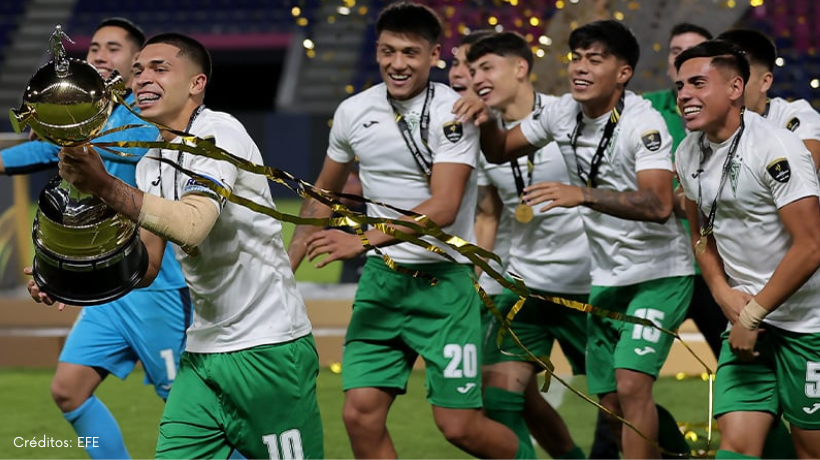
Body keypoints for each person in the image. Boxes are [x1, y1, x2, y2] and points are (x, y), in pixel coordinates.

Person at [32, 33, 323, 459]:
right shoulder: (151, 161)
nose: (142, 78)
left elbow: (191, 225)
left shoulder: (218, 134)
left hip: (268, 349)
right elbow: (146, 265)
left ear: (196, 83)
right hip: (203, 352)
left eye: (159, 68)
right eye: (138, 71)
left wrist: (103, 184)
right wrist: (67, 276)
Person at [288, 3, 523, 458]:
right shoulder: (354, 111)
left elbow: (445, 206)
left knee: (459, 427)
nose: (398, 63)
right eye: (388, 51)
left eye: (410, 53)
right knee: (359, 414)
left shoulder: (453, 112)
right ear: (376, 51)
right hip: (383, 282)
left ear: (434, 54)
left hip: (446, 285)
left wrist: (359, 240)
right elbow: (323, 192)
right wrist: (287, 264)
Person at [455, 19, 695, 458]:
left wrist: (581, 195)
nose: (580, 68)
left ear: (623, 73)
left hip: (658, 274)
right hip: (603, 278)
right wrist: (487, 119)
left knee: (631, 384)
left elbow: (659, 205)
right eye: (576, 58)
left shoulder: (644, 124)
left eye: (595, 60)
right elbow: (499, 149)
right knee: (612, 403)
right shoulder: (564, 112)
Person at [1, 18, 191, 460]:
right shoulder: (83, 124)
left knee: (186, 409)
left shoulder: (149, 122)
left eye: (114, 49)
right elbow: (38, 151)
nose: (100, 56)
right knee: (69, 390)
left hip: (153, 285)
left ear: (138, 66)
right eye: (94, 50)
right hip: (106, 285)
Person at [674, 39, 820, 459]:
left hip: (806, 324)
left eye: (698, 83)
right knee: (736, 448)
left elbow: (811, 246)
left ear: (735, 88)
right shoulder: (687, 153)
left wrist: (753, 314)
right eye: (680, 86)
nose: (684, 95)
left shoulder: (777, 147)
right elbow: (700, 235)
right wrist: (723, 296)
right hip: (744, 322)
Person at [465, 31, 591, 460]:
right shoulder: (483, 137)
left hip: (587, 284)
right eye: (472, 70)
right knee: (501, 398)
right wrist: (475, 278)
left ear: (520, 68)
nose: (476, 78)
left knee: (621, 400)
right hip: (523, 284)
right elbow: (488, 214)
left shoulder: (567, 114)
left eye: (486, 68)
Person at [642, 23, 727, 361]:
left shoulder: (733, 119)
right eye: (676, 52)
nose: (683, 58)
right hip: (659, 269)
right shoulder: (642, 112)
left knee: (742, 365)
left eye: (695, 52)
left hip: (718, 269)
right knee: (628, 377)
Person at [716, 29, 820, 169]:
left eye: (737, 77)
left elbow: (804, 170)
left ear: (765, 82)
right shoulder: (708, 126)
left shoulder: (795, 116)